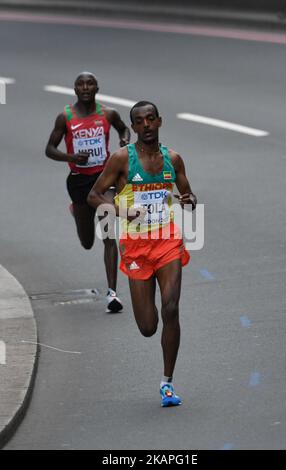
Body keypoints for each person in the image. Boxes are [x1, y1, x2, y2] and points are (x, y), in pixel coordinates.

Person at [87, 101, 197, 407]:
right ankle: (157, 337)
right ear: (133, 127)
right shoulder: (121, 159)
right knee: (148, 327)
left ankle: (167, 384)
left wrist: (189, 199)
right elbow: (93, 196)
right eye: (140, 121)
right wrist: (121, 208)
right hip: (136, 247)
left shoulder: (172, 159)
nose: (146, 124)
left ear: (159, 121)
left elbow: (189, 197)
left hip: (167, 242)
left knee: (171, 308)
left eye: (151, 118)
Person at [45, 72, 130, 312]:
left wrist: (124, 141)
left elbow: (124, 130)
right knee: (87, 242)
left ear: (97, 88)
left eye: (89, 83)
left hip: (103, 181)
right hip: (78, 182)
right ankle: (77, 212)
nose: (85, 87)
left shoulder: (108, 114)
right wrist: (70, 157)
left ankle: (112, 293)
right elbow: (49, 149)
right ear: (75, 90)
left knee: (109, 235)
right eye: (80, 84)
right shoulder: (66, 117)